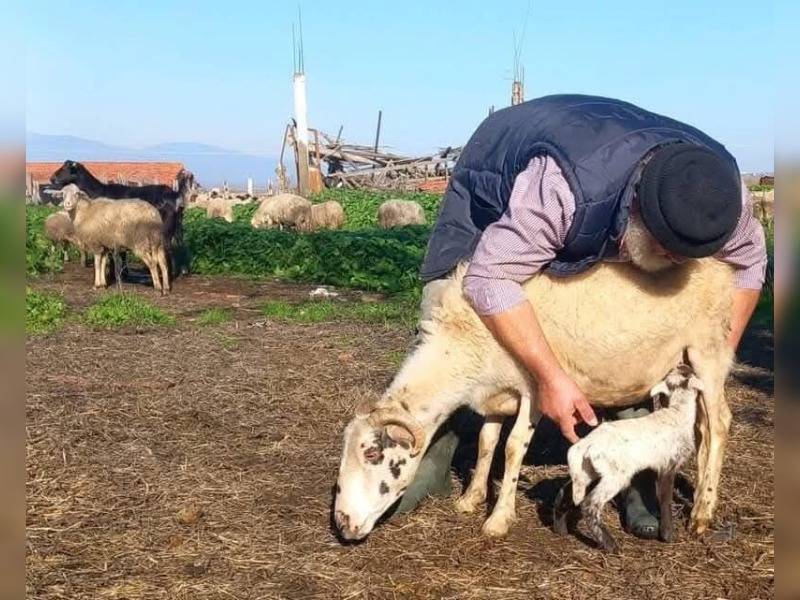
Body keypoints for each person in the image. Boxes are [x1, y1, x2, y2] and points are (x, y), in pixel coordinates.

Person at [392, 95, 768, 538]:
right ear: (638, 215)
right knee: (451, 313)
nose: (677, 261)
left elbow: (750, 262)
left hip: (607, 183)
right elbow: (489, 278)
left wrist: (718, 355)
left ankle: (633, 467)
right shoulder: (560, 192)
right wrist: (551, 378)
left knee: (625, 315)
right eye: (668, 250)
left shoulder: (722, 200)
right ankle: (426, 463)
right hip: (494, 181)